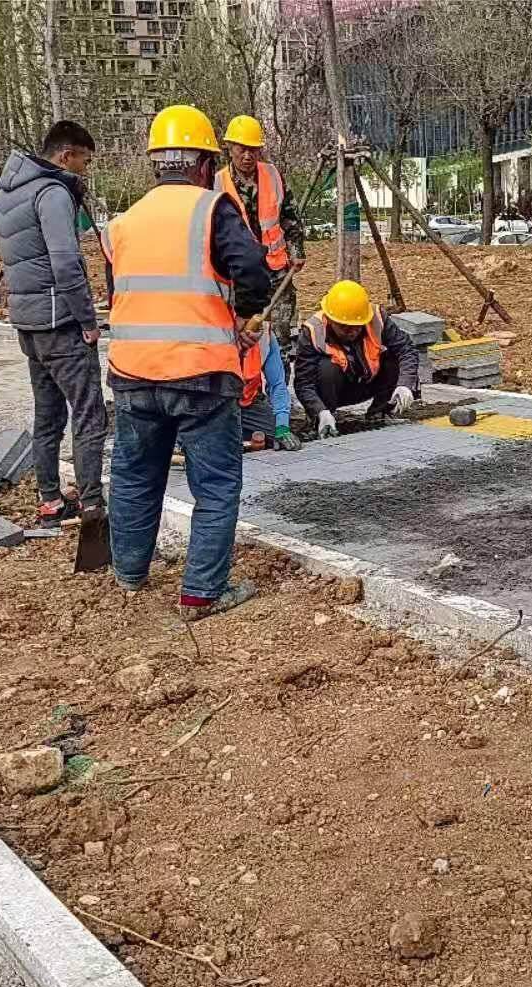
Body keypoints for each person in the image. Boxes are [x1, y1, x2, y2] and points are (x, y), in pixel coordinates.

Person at [100, 104, 272, 621]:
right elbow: (254, 270)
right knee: (215, 485)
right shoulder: (212, 209)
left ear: (156, 162)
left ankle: (129, 572)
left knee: (134, 476)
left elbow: (119, 294)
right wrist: (243, 317)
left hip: (133, 373)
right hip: (200, 373)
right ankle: (201, 592)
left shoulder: (123, 223)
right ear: (203, 163)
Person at [0, 119, 106, 527]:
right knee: (90, 415)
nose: (85, 169)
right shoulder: (52, 193)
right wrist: (88, 320)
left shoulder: (6, 195)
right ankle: (93, 507)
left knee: (48, 416)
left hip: (29, 325)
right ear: (66, 155)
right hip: (61, 325)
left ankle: (51, 502)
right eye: (84, 161)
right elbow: (66, 263)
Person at [214, 115, 305, 390]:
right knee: (241, 336)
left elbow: (290, 217)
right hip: (238, 279)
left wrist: (297, 250)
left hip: (276, 273)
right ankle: (243, 394)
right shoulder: (217, 184)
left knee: (280, 337)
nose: (247, 155)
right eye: (242, 149)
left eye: (253, 149)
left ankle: (279, 396)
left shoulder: (272, 175)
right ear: (230, 148)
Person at [295, 280, 419, 439]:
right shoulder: (313, 330)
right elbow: (303, 383)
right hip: (333, 391)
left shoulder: (376, 318)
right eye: (344, 327)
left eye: (357, 326)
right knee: (327, 368)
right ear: (331, 320)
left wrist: (405, 385)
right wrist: (319, 411)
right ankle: (322, 421)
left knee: (393, 359)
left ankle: (379, 413)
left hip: (366, 382)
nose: (352, 332)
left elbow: (406, 349)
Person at [238, 326, 300, 451]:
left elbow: (277, 384)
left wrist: (282, 426)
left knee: (278, 438)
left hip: (247, 404)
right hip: (213, 406)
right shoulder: (219, 331)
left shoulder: (265, 336)